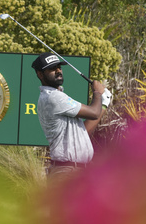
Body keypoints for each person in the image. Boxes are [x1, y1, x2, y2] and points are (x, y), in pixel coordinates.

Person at [32, 52, 112, 183]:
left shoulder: (57, 96)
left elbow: (84, 132)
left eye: (59, 67)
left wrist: (104, 104)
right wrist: (97, 92)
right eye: (52, 69)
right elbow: (93, 112)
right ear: (40, 74)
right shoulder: (53, 97)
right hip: (66, 173)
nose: (58, 71)